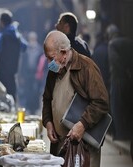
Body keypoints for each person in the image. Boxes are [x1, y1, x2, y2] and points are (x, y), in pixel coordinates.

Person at [42, 30, 109, 167]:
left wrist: (82, 124)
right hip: (60, 144)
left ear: (64, 53)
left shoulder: (86, 67)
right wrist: (48, 122)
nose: (49, 63)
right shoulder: (54, 71)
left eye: (51, 58)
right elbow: (47, 99)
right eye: (47, 59)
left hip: (84, 147)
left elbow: (101, 102)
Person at [0, 11, 27, 100]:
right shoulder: (17, 36)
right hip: (13, 75)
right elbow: (24, 47)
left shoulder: (2, 36)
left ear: (1, 22)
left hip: (2, 75)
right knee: (12, 99)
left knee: (2, 101)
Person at [107, 24, 133, 161]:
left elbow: (115, 62)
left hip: (118, 80)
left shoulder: (112, 44)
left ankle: (122, 132)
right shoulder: (128, 42)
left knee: (118, 108)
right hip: (129, 80)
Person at [17, 31, 43, 115]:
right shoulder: (25, 50)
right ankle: (27, 109)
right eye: (30, 39)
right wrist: (21, 75)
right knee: (27, 92)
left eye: (33, 38)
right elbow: (22, 63)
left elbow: (42, 64)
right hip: (27, 74)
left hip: (36, 74)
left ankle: (34, 110)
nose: (32, 40)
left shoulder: (39, 50)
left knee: (35, 92)